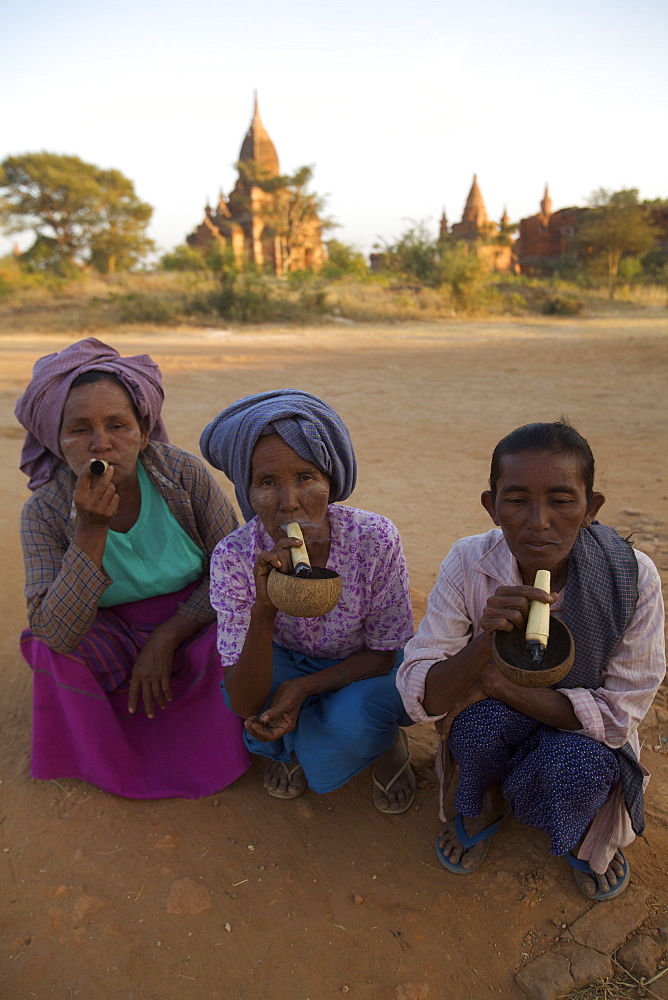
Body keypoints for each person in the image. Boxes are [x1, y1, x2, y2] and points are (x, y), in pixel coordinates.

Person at [397, 421, 665, 900]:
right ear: (491, 506)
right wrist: (483, 642)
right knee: (473, 729)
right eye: (516, 500)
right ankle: (486, 800)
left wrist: (497, 682)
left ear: (591, 509)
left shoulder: (631, 576)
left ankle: (578, 828)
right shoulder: (469, 562)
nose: (538, 521)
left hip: (580, 737)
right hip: (503, 718)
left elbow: (619, 718)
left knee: (575, 767)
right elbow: (424, 696)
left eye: (562, 501)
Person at [16, 337, 250, 799]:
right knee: (52, 652)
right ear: (56, 441)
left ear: (143, 434)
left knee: (239, 639)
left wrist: (167, 636)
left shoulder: (182, 476)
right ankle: (110, 753)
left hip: (194, 618)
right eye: (79, 429)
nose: (100, 443)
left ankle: (205, 743)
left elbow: (234, 571)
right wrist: (89, 530)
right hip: (111, 628)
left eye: (118, 425)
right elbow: (57, 631)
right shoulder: (43, 512)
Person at [200, 389, 416, 811]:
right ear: (247, 493)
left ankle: (385, 744)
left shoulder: (373, 539)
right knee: (250, 697)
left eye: (305, 478)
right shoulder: (234, 555)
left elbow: (381, 655)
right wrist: (265, 607)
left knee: (357, 723)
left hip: (363, 665)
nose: (289, 502)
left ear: (330, 481)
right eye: (266, 483)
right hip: (285, 657)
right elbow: (242, 701)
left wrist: (303, 687)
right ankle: (291, 743)